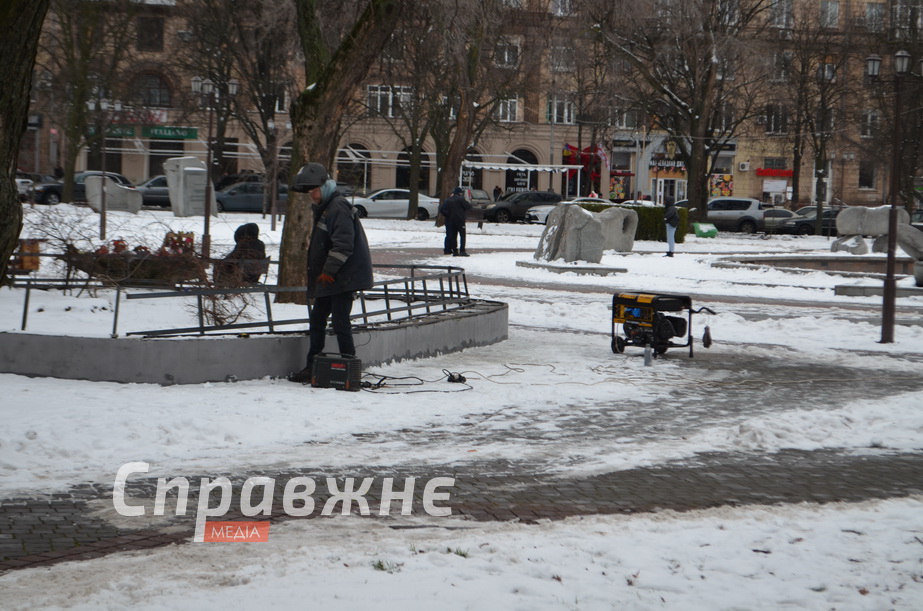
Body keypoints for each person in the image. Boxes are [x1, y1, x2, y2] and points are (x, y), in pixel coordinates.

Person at [288, 162, 374, 384]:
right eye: (309, 193)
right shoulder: (327, 207)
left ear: (324, 187)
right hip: (332, 278)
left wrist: (328, 272)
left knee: (339, 322)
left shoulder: (337, 207)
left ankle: (349, 366)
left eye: (314, 191)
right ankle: (313, 365)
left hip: (342, 278)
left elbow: (343, 245)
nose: (311, 196)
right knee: (318, 319)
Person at [439, 186, 472, 257]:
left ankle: (455, 251)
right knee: (462, 235)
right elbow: (468, 206)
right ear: (460, 193)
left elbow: (442, 209)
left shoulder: (448, 200)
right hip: (460, 220)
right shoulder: (461, 199)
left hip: (451, 220)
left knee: (454, 235)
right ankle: (462, 250)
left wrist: (448, 215)